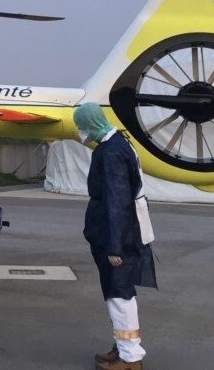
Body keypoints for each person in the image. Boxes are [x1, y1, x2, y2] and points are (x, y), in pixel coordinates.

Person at [74, 103, 157, 370]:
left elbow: (117, 202)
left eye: (81, 126)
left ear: (90, 123)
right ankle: (122, 347)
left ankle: (130, 358)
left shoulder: (110, 153)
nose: (80, 132)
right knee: (118, 291)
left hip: (117, 233)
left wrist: (115, 245)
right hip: (123, 229)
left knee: (119, 293)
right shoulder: (120, 142)